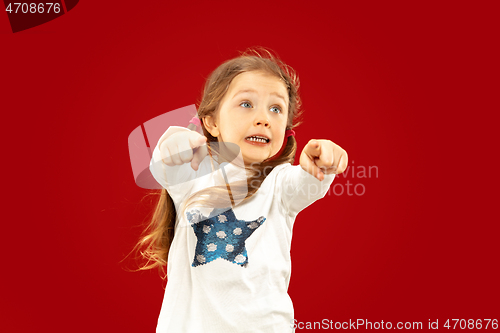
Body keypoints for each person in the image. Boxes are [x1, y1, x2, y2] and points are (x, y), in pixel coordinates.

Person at [136, 47, 348, 332]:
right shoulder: (194, 173)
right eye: (246, 104)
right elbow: (164, 165)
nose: (263, 118)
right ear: (211, 122)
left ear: (286, 130)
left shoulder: (280, 183)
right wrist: (171, 142)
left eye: (276, 109)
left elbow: (307, 183)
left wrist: (323, 163)